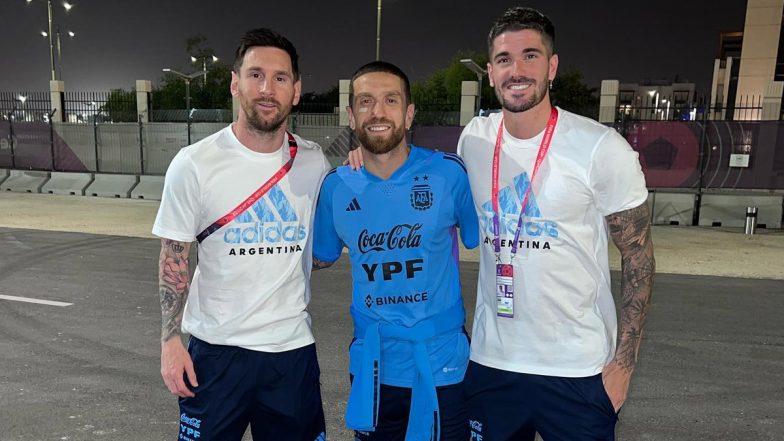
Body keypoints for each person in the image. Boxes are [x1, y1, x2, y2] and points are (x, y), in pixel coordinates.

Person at [457, 7, 656, 441]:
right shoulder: (473, 139)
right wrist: (363, 156)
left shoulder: (600, 148)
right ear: (490, 72)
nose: (517, 70)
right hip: (493, 365)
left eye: (531, 55)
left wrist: (623, 366)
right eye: (505, 59)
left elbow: (639, 257)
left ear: (552, 66)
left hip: (578, 370)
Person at [153, 28, 329, 441]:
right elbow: (174, 257)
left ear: (296, 90)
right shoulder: (194, 163)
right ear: (235, 83)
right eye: (255, 75)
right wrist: (170, 340)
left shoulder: (314, 162)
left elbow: (318, 251)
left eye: (280, 78)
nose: (267, 88)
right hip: (215, 353)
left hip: (290, 351)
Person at [312, 61, 479, 441]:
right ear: (351, 116)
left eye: (391, 100)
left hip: (444, 366)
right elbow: (319, 255)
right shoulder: (337, 186)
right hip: (374, 368)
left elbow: (484, 238)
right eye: (366, 102)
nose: (378, 111)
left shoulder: (449, 174)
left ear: (409, 112)